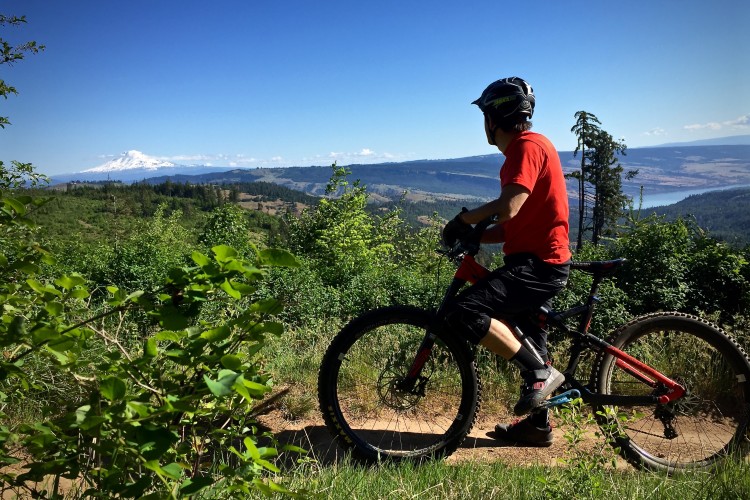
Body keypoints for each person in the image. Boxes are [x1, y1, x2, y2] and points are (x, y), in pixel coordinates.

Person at [441, 77, 572, 447]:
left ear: (494, 118)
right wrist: (476, 236)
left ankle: (539, 372)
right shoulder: (532, 145)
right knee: (531, 337)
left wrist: (462, 220)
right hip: (537, 260)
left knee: (465, 312)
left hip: (539, 265)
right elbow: (512, 225)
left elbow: (509, 205)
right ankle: (537, 426)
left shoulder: (526, 146)